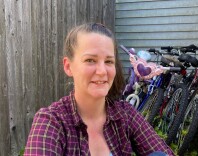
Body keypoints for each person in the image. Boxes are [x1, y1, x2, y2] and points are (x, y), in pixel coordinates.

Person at [24, 23, 174, 156]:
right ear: (68, 66)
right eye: (90, 60)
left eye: (109, 61)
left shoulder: (125, 115)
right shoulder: (52, 122)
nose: (102, 71)